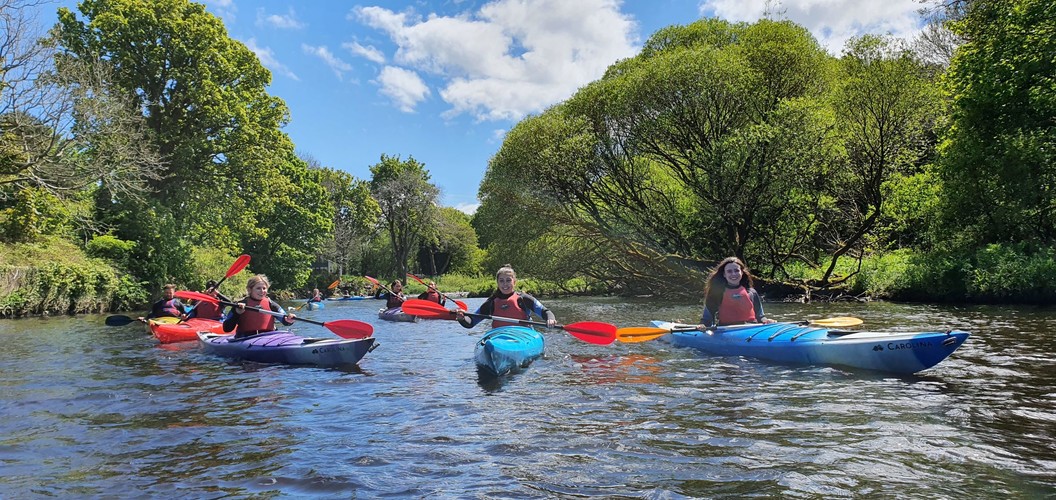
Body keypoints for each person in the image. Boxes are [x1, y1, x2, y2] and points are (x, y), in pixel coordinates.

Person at [456, 264, 556, 329]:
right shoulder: (492, 302)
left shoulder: (524, 299)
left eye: (508, 280)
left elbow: (545, 312)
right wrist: (462, 318)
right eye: (501, 281)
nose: (505, 284)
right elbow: (471, 322)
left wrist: (550, 319)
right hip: (499, 338)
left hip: (523, 336)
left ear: (514, 282)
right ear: (497, 283)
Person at [697, 257, 776, 329]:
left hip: (751, 328)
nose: (733, 274)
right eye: (729, 271)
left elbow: (760, 316)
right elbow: (707, 320)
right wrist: (702, 326)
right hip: (726, 330)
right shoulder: (716, 293)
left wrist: (766, 320)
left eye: (736, 270)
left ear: (742, 272)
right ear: (724, 274)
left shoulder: (751, 292)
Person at [223, 274, 295, 338]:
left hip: (268, 337)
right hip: (246, 338)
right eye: (258, 288)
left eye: (264, 288)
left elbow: (285, 320)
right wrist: (237, 313)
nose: (262, 291)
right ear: (249, 290)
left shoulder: (271, 304)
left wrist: (289, 319)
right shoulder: (240, 305)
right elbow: (227, 328)